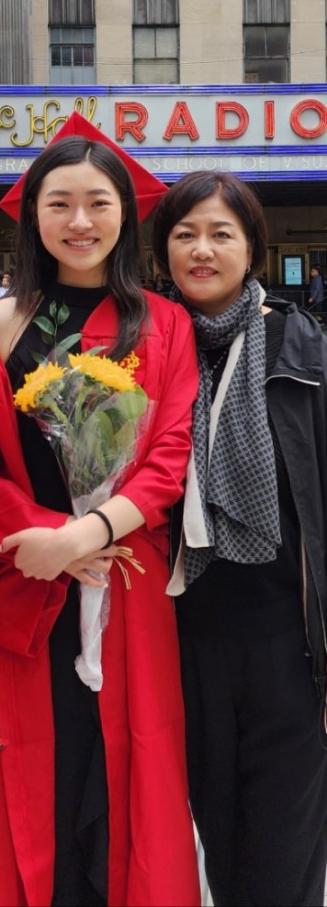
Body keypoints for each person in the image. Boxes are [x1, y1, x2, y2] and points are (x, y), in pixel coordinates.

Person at [0, 112, 201, 907]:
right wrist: (44, 539)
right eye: (59, 202)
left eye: (98, 202)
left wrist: (90, 533)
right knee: (41, 772)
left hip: (126, 578)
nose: (79, 221)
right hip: (29, 577)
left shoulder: (163, 325)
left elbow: (169, 457)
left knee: (128, 771)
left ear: (126, 214)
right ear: (32, 215)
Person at [152, 170, 327, 907]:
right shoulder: (144, 351)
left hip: (290, 647)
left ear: (252, 247)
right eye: (185, 233)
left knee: (284, 858)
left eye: (221, 233)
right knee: (219, 841)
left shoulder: (304, 349)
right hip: (182, 644)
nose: (202, 249)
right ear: (161, 251)